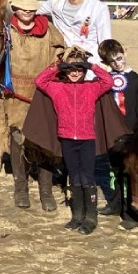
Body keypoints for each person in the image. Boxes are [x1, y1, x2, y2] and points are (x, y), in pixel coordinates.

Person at [0, 0, 65, 211]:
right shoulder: (7, 31)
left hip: (43, 95)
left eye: (30, 9)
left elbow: (60, 57)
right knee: (18, 139)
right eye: (22, 8)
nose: (26, 12)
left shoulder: (50, 31)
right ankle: (20, 188)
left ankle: (45, 190)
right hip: (16, 95)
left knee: (44, 141)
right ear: (15, 8)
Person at [34, 46, 112, 235]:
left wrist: (91, 66)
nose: (75, 73)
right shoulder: (57, 88)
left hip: (87, 138)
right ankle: (77, 215)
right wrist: (58, 66)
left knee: (87, 176)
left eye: (79, 70)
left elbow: (108, 81)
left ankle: (91, 217)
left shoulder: (91, 88)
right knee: (74, 176)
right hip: (67, 137)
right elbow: (40, 81)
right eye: (71, 70)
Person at [97, 39, 138, 228]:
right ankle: (116, 203)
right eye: (112, 62)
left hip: (132, 134)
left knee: (130, 173)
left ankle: (132, 213)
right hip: (112, 134)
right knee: (114, 170)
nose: (118, 64)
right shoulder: (105, 82)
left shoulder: (137, 80)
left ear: (125, 52)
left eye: (119, 58)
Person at [37, 0, 111, 62]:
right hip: (65, 62)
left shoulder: (99, 8)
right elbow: (32, 10)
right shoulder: (55, 3)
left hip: (91, 63)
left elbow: (105, 41)